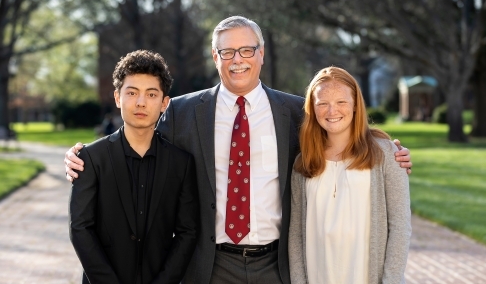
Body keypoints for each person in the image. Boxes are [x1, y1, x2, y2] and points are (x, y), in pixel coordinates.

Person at [64, 16, 413, 284]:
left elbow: (339, 125)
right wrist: (84, 156)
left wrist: (388, 150)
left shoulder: (294, 112)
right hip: (211, 264)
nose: (237, 60)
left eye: (246, 50)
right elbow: (137, 140)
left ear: (260, 54)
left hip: (277, 265)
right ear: (215, 57)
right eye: (227, 52)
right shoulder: (183, 112)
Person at [69, 50, 199, 284]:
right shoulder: (90, 158)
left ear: (164, 103)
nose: (141, 102)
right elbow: (80, 228)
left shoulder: (181, 164)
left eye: (151, 94)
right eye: (132, 93)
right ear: (118, 98)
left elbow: (187, 233)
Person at [288, 66, 411, 284]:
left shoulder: (387, 155)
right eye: (322, 103)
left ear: (355, 105)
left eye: (341, 102)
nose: (331, 111)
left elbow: (400, 227)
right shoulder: (304, 163)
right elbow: (296, 235)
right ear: (312, 109)